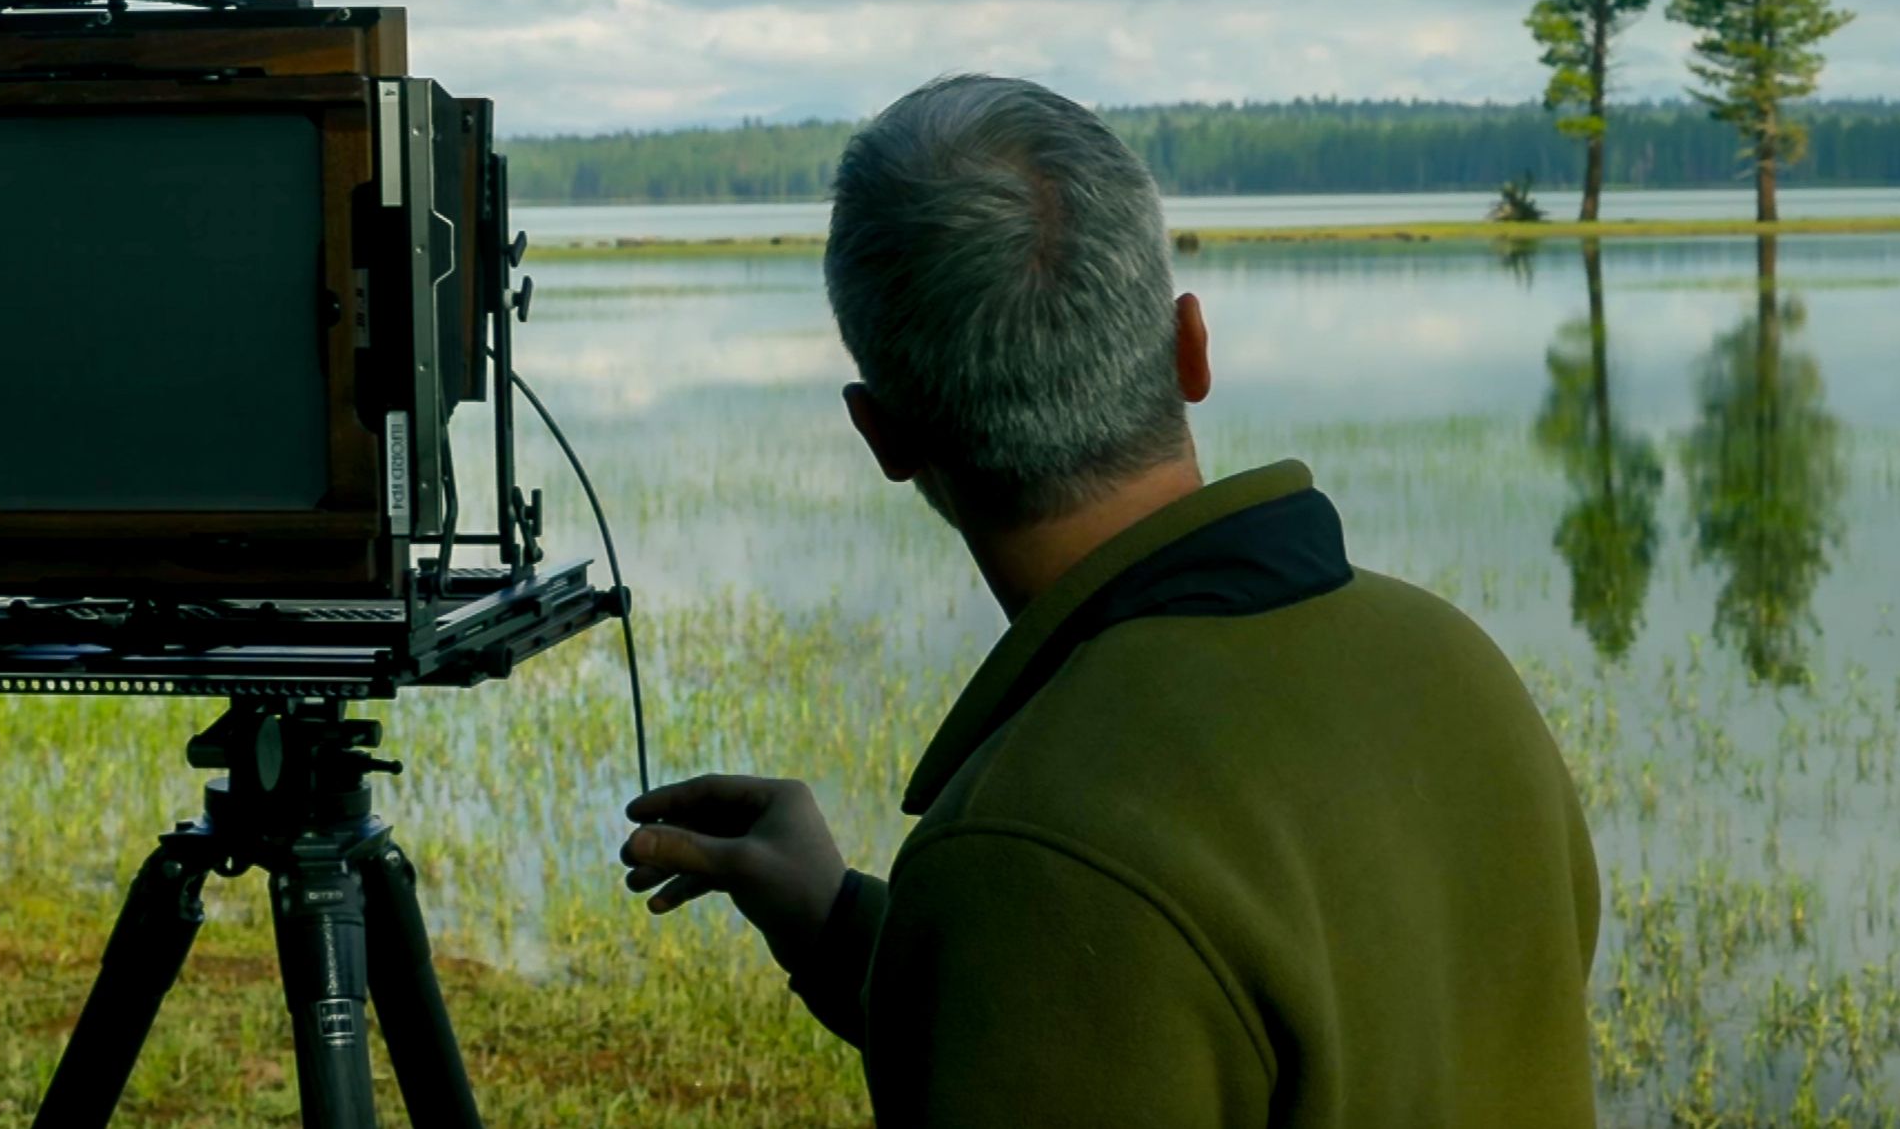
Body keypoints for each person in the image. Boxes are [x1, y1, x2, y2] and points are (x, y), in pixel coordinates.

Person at [617, 74, 1601, 1126]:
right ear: (1190, 347)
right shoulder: (1452, 667)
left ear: (882, 436)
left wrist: (970, 906)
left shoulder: (1026, 847)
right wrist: (844, 928)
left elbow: (1110, 961)